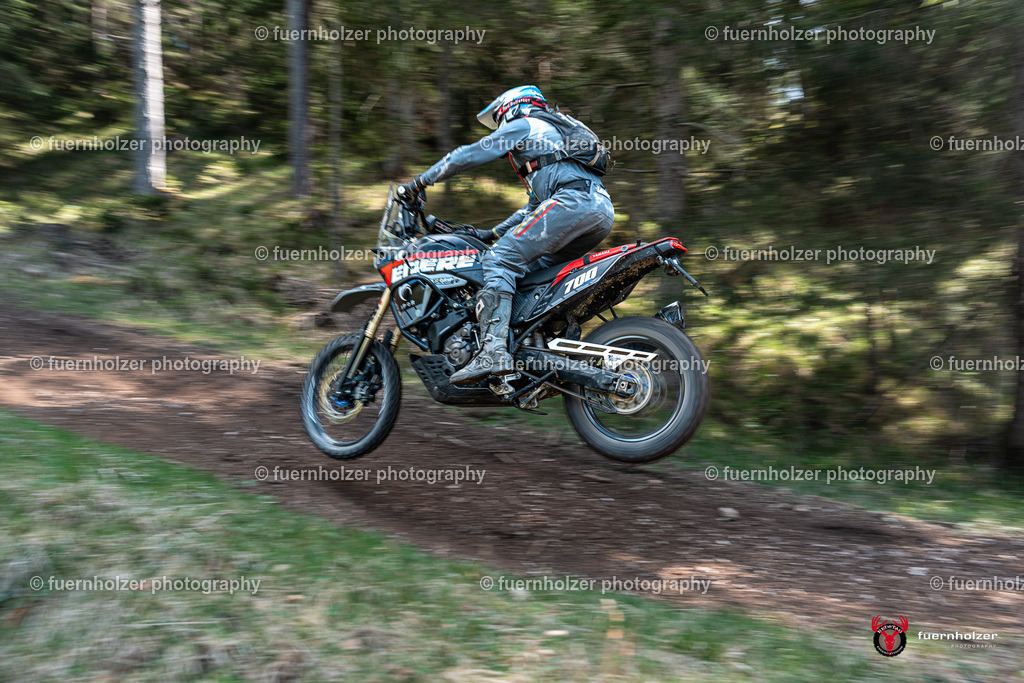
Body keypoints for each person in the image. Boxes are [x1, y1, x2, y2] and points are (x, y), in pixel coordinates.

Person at [398, 85, 614, 385]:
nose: (502, 127)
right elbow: (534, 209)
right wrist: (491, 232)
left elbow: (469, 155)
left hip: (572, 204)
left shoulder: (525, 123)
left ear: (511, 108)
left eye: (500, 120)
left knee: (500, 260)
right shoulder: (551, 137)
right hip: (599, 211)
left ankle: (493, 352)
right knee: (531, 274)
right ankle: (531, 345)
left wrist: (420, 182)